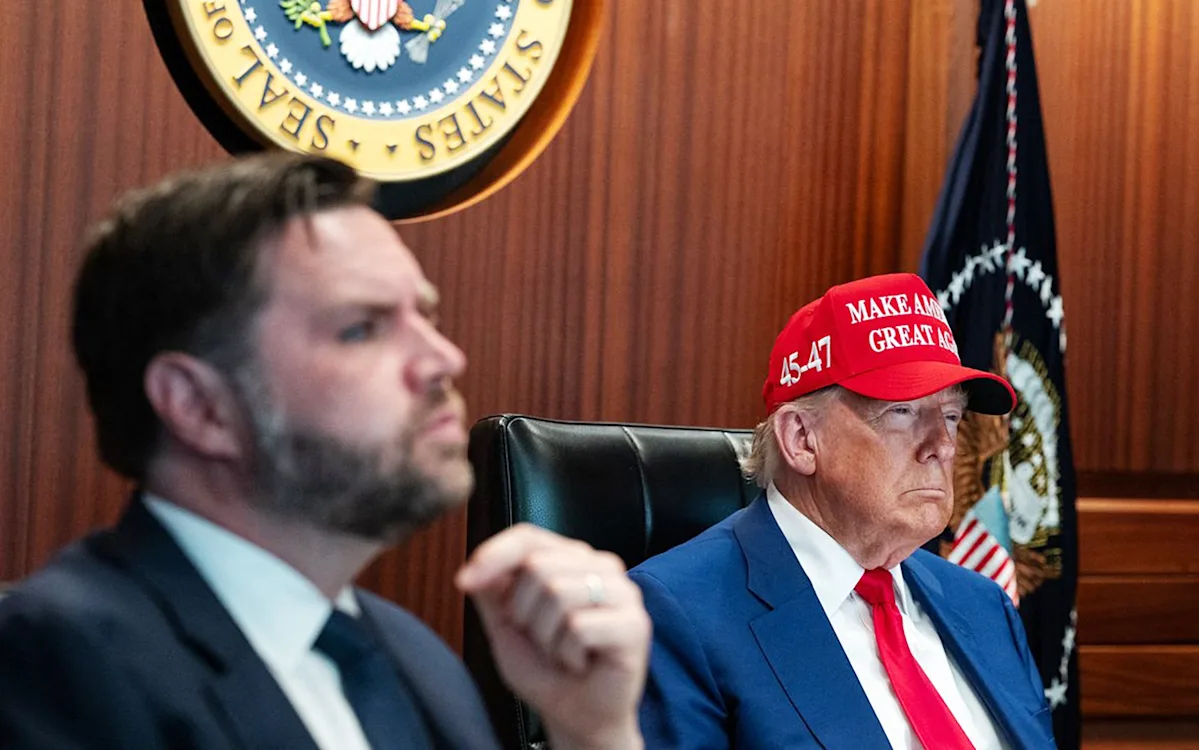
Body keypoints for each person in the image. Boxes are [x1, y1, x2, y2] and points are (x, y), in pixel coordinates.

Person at [0, 154, 649, 750]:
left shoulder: (413, 659)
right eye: (361, 328)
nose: (443, 359)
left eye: (426, 317)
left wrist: (592, 731)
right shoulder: (56, 658)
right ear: (201, 408)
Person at [630, 273, 1056, 749]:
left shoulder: (983, 605)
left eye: (951, 416)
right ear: (801, 439)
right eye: (902, 412)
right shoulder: (678, 615)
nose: (943, 445)